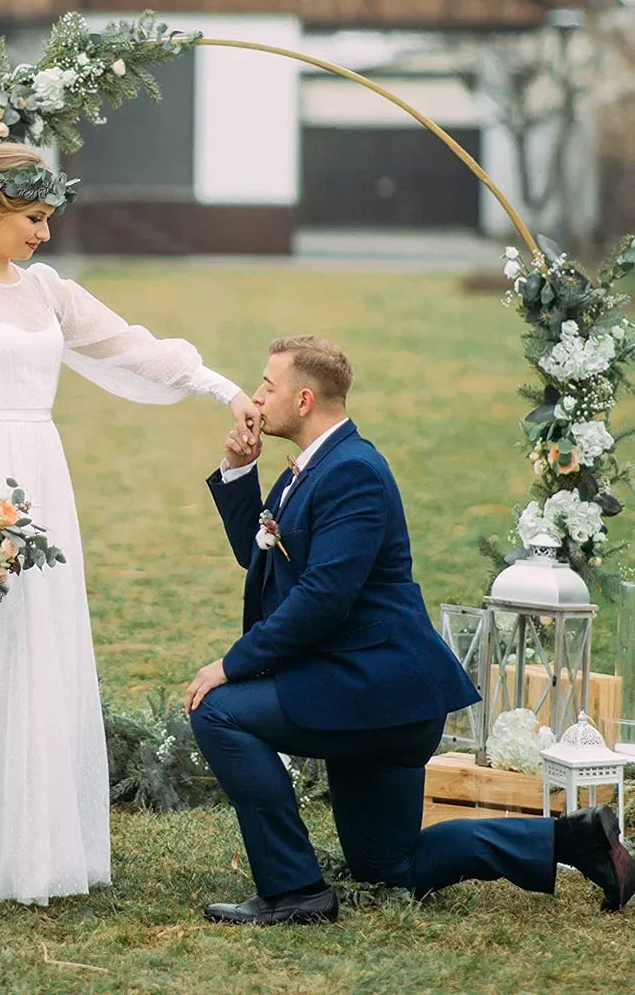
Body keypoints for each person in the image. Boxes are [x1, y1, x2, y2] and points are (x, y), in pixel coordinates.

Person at [0, 143, 261, 911]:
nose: (44, 233)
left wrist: (222, 387)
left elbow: (133, 348)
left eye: (47, 219)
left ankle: (25, 850)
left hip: (41, 478)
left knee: (33, 648)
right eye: (34, 217)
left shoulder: (46, 292)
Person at [185, 335, 635, 925]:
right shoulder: (314, 467)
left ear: (302, 399)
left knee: (217, 710)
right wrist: (241, 473)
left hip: (376, 694)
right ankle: (573, 842)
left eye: (266, 387)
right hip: (371, 697)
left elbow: (323, 599)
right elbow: (264, 558)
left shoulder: (354, 473)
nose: (256, 398)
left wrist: (232, 665)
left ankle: (294, 890)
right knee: (391, 865)